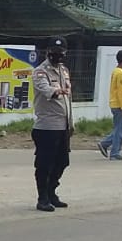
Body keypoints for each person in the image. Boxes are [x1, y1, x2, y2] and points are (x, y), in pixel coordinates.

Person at [31, 37, 73, 212]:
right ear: (48, 52)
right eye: (54, 52)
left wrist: (71, 124)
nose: (57, 55)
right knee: (44, 164)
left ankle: (51, 192)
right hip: (47, 127)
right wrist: (56, 91)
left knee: (62, 162)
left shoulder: (64, 71)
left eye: (60, 52)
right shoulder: (40, 72)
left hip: (63, 126)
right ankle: (42, 198)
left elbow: (68, 99)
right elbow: (45, 89)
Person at [97, 50, 122, 161]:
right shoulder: (120, 73)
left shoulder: (116, 71)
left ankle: (105, 143)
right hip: (119, 105)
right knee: (120, 130)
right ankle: (115, 153)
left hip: (115, 104)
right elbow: (120, 92)